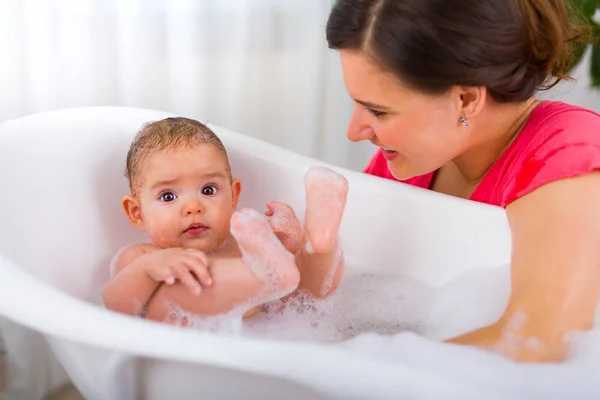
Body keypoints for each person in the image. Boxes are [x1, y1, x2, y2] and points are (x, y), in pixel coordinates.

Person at [325, 0, 600, 362]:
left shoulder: (568, 153)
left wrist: (352, 369)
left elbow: (542, 342)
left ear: (466, 99)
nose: (354, 132)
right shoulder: (419, 157)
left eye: (378, 111)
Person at [102, 117, 347, 324]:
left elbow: (296, 299)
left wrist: (286, 243)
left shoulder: (243, 244)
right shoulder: (142, 257)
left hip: (270, 331)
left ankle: (319, 246)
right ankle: (270, 274)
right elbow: (117, 305)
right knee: (167, 295)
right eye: (168, 196)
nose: (193, 207)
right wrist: (147, 270)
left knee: (305, 293)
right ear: (137, 213)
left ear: (233, 197)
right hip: (196, 345)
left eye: (208, 190)